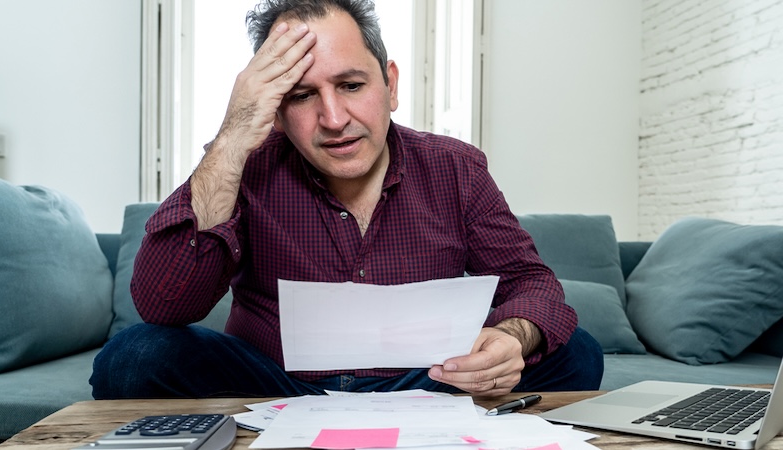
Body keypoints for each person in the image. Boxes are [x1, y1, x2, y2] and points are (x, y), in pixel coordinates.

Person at [90, 0, 603, 399]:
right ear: (273, 108)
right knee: (134, 356)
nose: (334, 119)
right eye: (301, 95)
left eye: (351, 84)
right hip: (274, 388)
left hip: (422, 385)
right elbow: (164, 305)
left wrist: (513, 338)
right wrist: (232, 135)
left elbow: (531, 283)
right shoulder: (243, 164)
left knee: (577, 352)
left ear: (390, 83)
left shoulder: (456, 167)